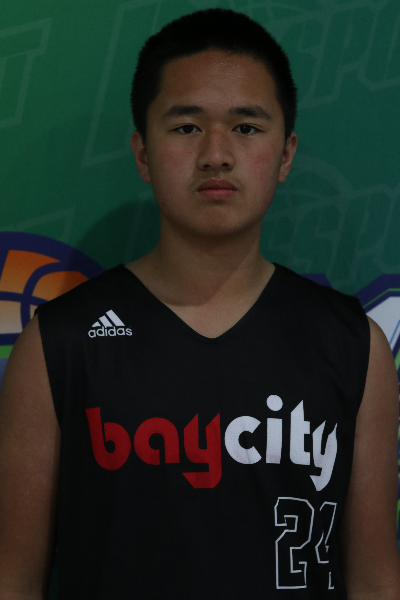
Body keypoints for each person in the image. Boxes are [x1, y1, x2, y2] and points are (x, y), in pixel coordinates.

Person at [0, 8, 399, 600]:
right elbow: (14, 580)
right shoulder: (59, 343)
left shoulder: (353, 346)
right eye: (187, 127)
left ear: (286, 154)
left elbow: (374, 579)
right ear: (142, 152)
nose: (216, 154)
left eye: (247, 127)